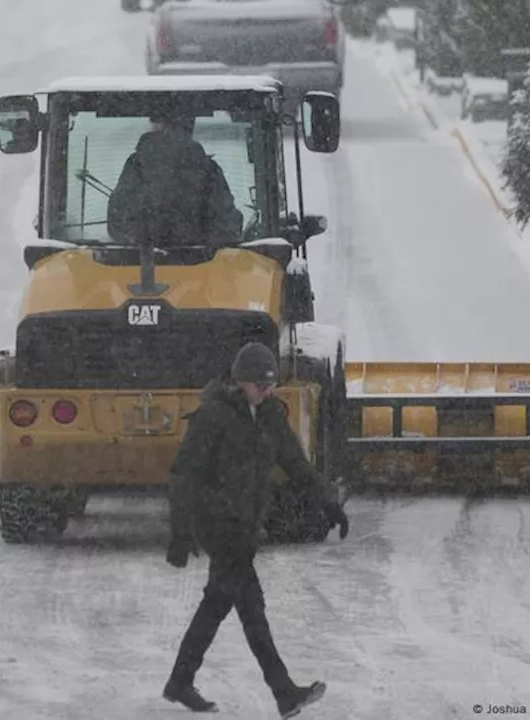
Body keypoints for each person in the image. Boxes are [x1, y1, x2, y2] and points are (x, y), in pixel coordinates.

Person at [162, 340, 350, 719]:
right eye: (260, 385)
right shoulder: (213, 417)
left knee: (218, 604)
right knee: (252, 610)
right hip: (218, 524)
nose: (267, 391)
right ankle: (283, 692)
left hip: (246, 524)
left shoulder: (270, 417)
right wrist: (180, 532)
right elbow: (185, 475)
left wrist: (329, 502)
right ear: (240, 382)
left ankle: (180, 682)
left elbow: (296, 465)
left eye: (270, 384)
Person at [106, 112, 244, 248]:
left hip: (139, 265)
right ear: (189, 127)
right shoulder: (208, 170)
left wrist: (145, 241)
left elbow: (119, 222)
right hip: (203, 266)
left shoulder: (136, 166)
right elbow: (226, 226)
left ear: (158, 125)